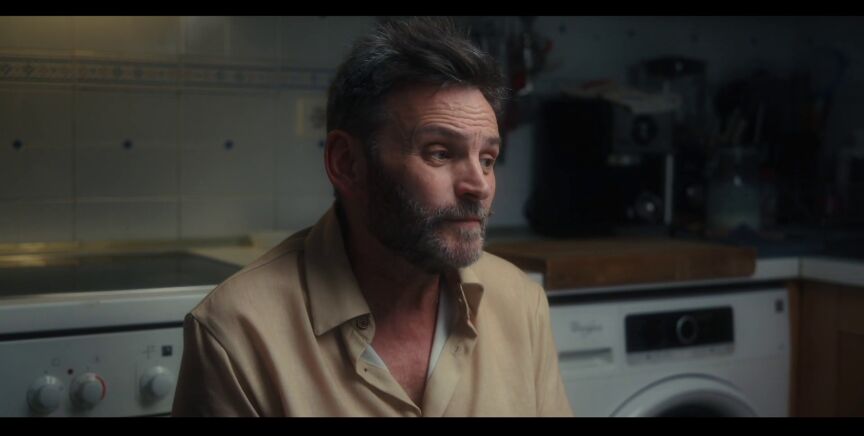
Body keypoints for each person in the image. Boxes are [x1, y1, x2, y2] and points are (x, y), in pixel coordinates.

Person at [171, 16, 572, 417]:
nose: (479, 186)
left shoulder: (522, 303)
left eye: (487, 159)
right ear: (347, 163)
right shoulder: (236, 333)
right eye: (440, 153)